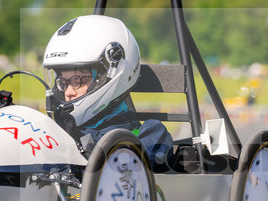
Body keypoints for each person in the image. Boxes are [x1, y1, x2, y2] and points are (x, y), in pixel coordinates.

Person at [43, 15, 173, 167]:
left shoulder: (151, 134)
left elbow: (122, 164)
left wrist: (76, 141)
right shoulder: (62, 130)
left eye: (78, 81)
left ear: (108, 75)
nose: (68, 92)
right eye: (63, 82)